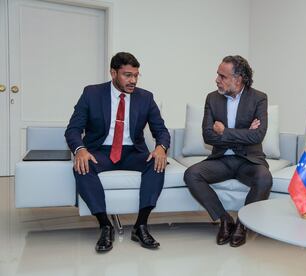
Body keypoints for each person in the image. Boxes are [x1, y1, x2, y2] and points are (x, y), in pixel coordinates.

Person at [65, 52, 170, 253]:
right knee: (82, 167)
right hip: (100, 151)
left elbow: (161, 131)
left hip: (132, 152)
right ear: (113, 73)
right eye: (127, 75)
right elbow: (73, 129)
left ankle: (141, 226)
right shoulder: (92, 93)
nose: (133, 81)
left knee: (157, 162)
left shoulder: (145, 98)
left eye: (136, 75)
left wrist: (160, 147)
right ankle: (105, 225)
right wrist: (80, 150)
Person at [184, 55, 272, 247]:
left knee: (264, 178)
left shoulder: (259, 98)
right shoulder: (212, 98)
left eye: (222, 76)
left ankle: (243, 224)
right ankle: (225, 219)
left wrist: (224, 132)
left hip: (248, 161)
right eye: (218, 75)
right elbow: (208, 136)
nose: (217, 80)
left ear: (238, 79)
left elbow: (257, 136)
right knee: (191, 174)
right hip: (221, 160)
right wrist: (244, 133)